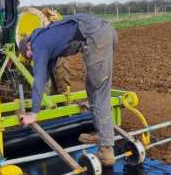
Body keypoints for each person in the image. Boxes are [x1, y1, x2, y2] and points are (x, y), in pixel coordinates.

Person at [18, 13, 118, 166]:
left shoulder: (38, 44)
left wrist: (34, 113)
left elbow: (38, 79)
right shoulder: (46, 36)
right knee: (91, 87)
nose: (32, 57)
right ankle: (101, 133)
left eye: (28, 55)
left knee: (99, 91)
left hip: (95, 35)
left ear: (28, 45)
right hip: (102, 31)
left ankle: (106, 150)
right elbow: (46, 75)